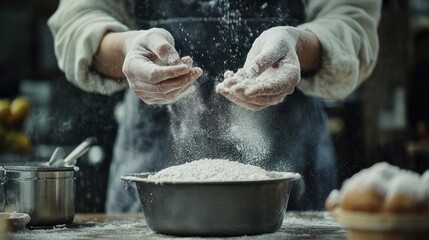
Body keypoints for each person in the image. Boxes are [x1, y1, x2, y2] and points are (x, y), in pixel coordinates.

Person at [48, 0, 381, 212]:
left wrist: (296, 43)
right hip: (153, 179)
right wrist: (128, 48)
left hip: (289, 176)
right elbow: (79, 19)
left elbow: (350, 20)